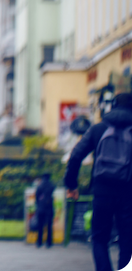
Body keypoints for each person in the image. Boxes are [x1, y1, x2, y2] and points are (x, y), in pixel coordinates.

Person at [65, 91, 132, 271]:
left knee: (99, 239)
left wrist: (71, 184)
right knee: (128, 240)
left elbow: (75, 156)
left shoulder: (98, 129)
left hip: (102, 192)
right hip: (128, 194)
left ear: (113, 106)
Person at [34, 173, 55, 248]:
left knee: (40, 225)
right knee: (49, 226)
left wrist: (38, 204)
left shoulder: (40, 185)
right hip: (49, 207)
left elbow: (36, 196)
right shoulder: (51, 185)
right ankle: (49, 243)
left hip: (41, 207)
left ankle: (39, 242)